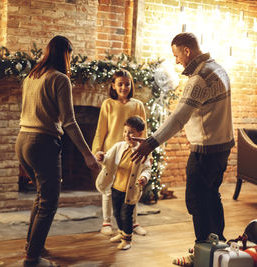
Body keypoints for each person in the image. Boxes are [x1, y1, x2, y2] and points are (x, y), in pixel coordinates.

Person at [131, 32, 234, 266]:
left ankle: (202, 252)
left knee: (196, 201)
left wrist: (150, 142)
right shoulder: (218, 68)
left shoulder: (199, 79)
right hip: (222, 147)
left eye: (177, 55)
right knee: (211, 196)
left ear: (187, 50)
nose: (176, 61)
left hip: (205, 151)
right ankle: (218, 247)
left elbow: (178, 118)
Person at [15, 35, 101, 267]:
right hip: (42, 143)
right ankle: (32, 259)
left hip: (22, 141)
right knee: (49, 201)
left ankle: (33, 246)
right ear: (66, 54)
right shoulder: (59, 78)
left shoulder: (31, 76)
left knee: (41, 196)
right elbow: (69, 122)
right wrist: (87, 155)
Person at [91, 69, 148, 236]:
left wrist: (145, 150)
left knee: (132, 186)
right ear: (113, 86)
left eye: (127, 84)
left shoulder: (138, 105)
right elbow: (100, 130)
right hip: (111, 153)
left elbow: (144, 131)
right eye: (120, 84)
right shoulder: (108, 104)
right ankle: (106, 221)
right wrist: (97, 151)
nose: (124, 87)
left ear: (131, 85)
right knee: (109, 187)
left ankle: (133, 222)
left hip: (132, 153)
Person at [95, 116, 151, 250]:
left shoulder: (143, 151)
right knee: (117, 213)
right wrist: (102, 157)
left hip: (131, 191)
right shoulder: (119, 146)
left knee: (126, 215)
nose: (127, 135)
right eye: (125, 131)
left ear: (140, 134)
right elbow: (108, 159)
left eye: (131, 132)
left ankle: (127, 239)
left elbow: (147, 168)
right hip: (116, 187)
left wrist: (144, 177)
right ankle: (121, 233)